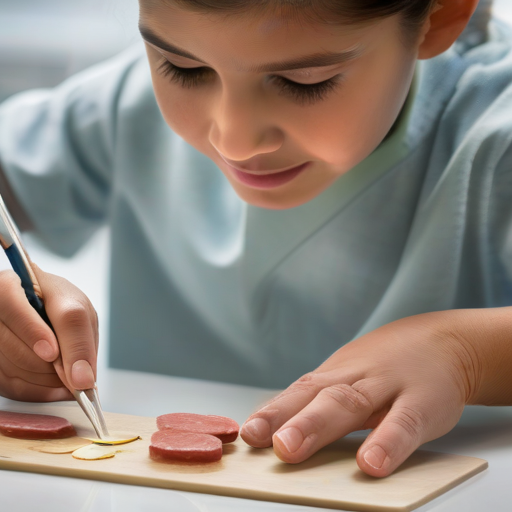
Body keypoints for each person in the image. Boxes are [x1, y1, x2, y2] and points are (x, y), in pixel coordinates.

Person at [0, 0, 511, 478]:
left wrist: (467, 354)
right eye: (184, 68)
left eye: (305, 80)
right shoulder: (124, 102)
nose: (234, 140)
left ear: (440, 15)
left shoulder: (495, 134)